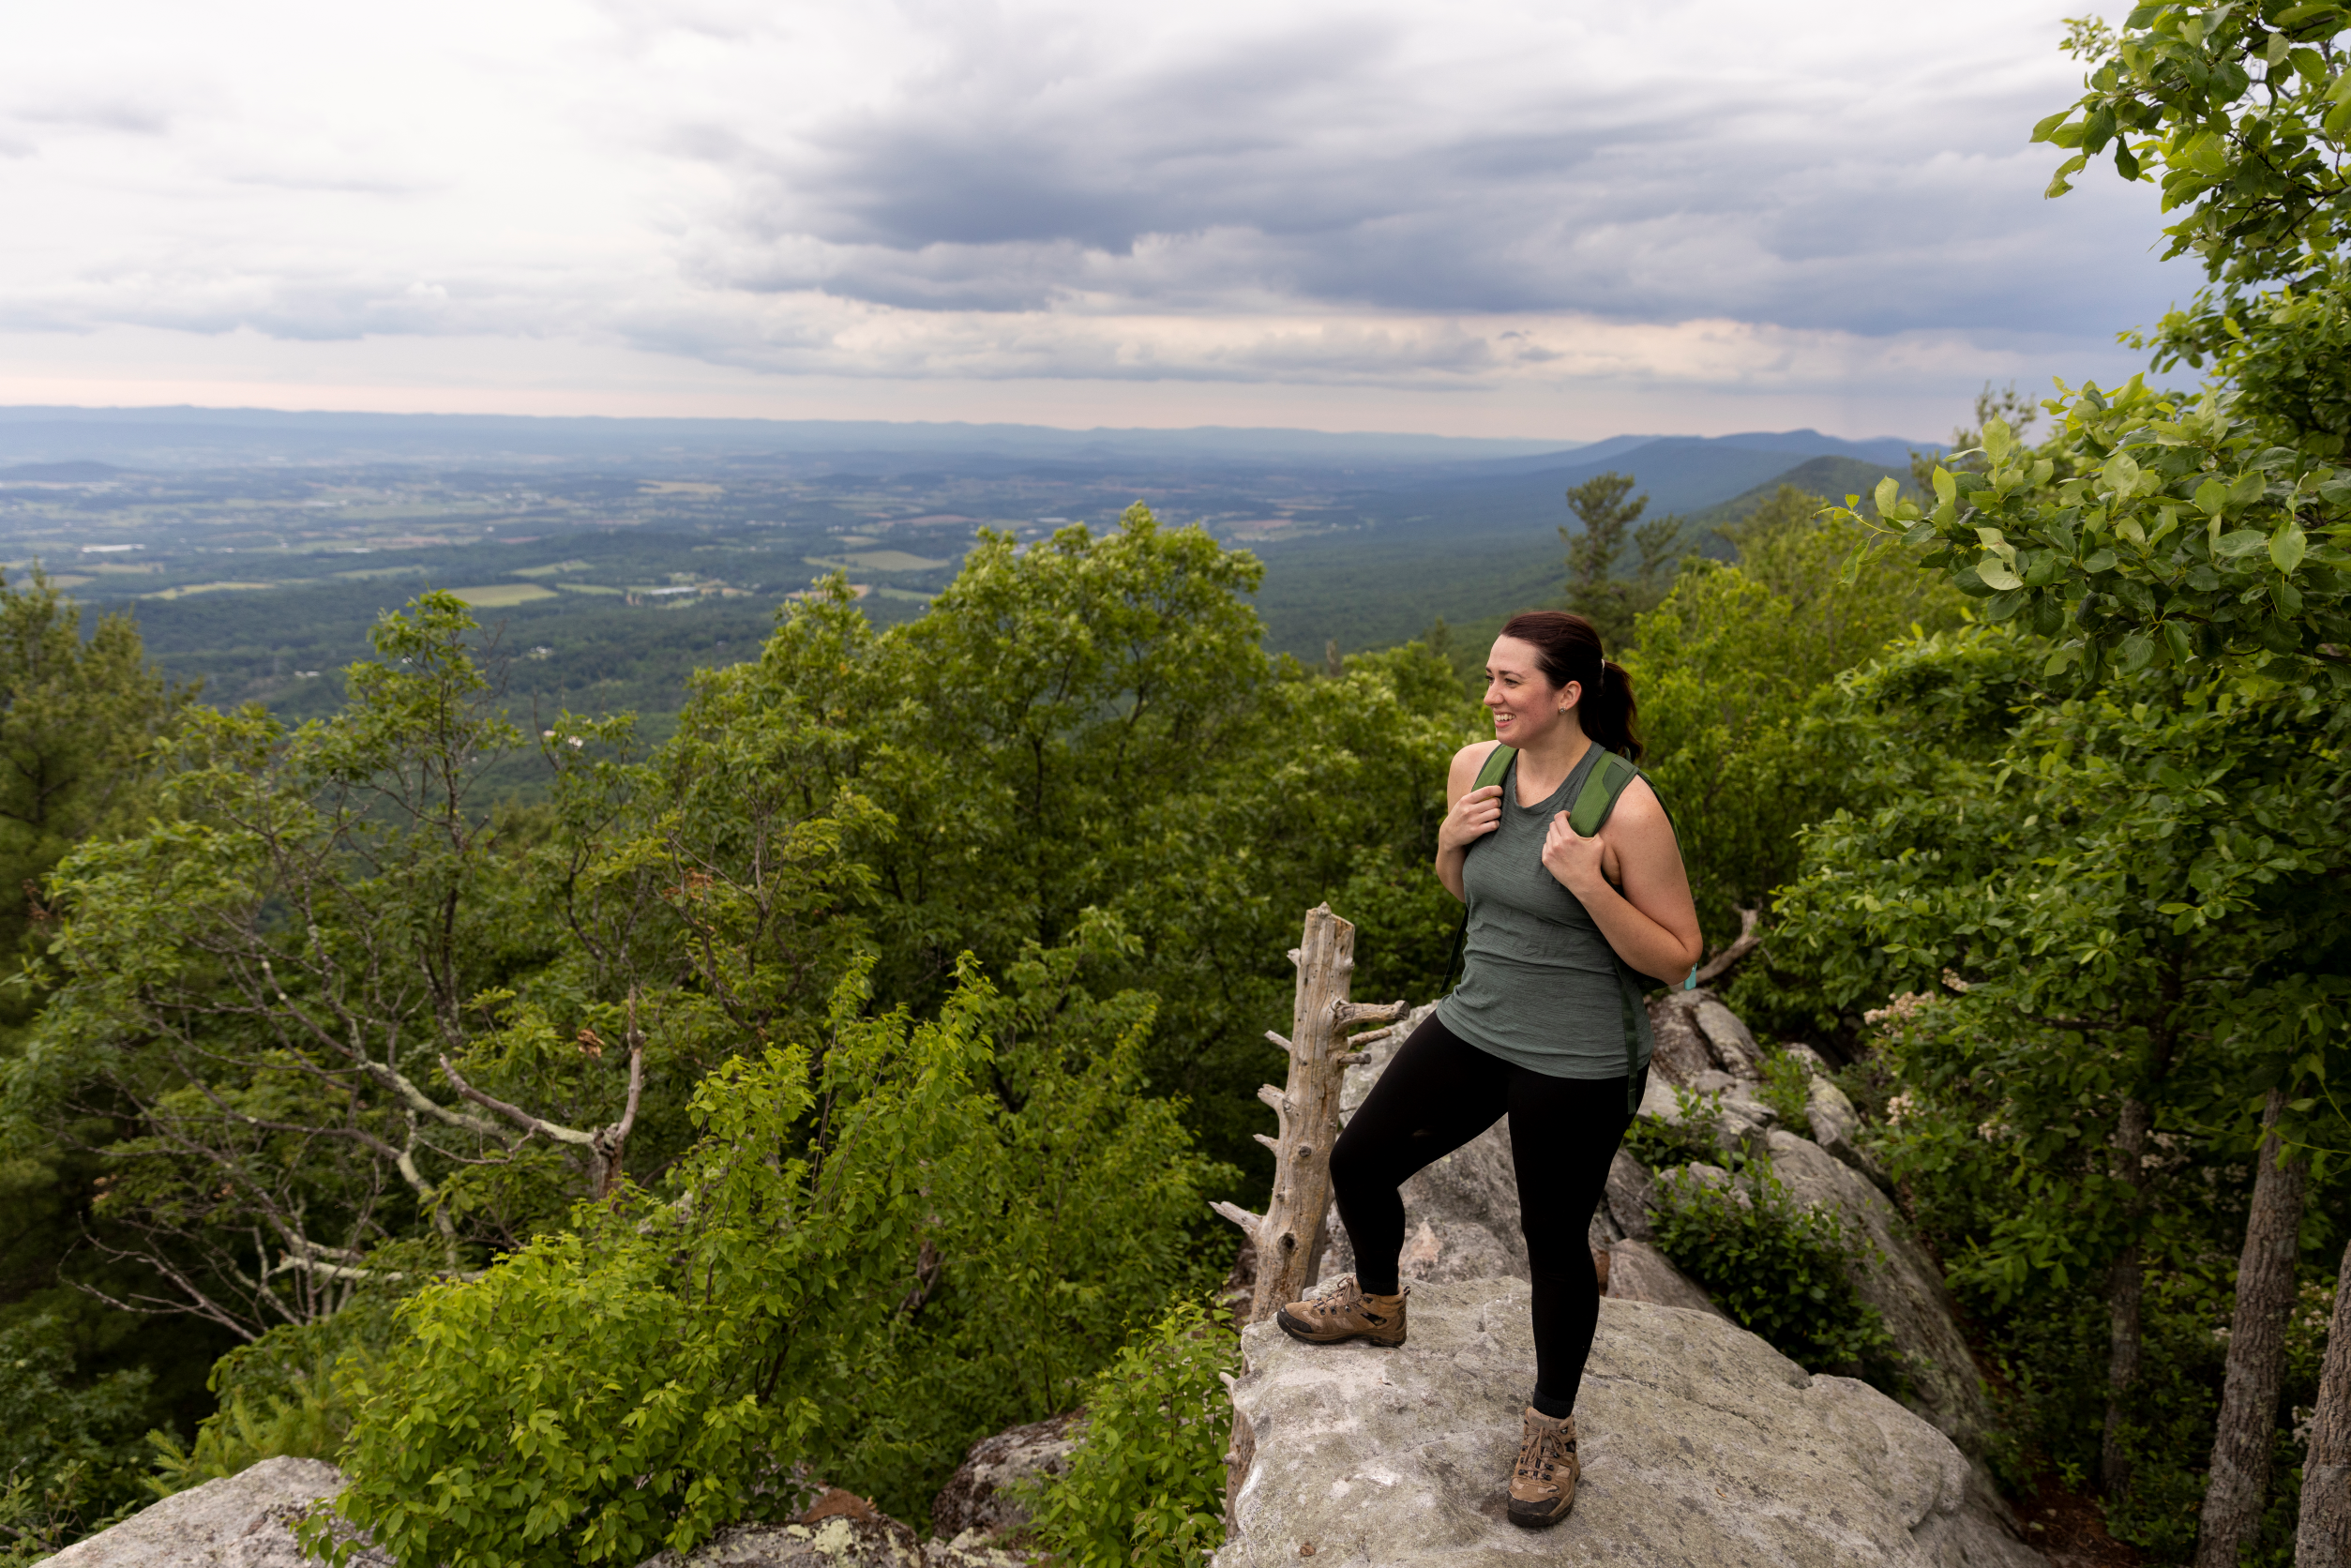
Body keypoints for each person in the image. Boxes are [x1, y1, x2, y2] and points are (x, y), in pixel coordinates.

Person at [1275, 610, 1702, 1529]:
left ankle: (1549, 1428)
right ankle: (1380, 1303)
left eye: (1510, 680)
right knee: (1358, 1160)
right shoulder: (1478, 767)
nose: (1490, 695)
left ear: (1568, 693)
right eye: (1489, 676)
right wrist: (1446, 840)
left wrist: (1591, 882)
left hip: (1578, 1055)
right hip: (1475, 1022)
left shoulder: (1623, 806)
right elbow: (1471, 892)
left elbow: (1676, 957)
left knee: (1551, 1240)